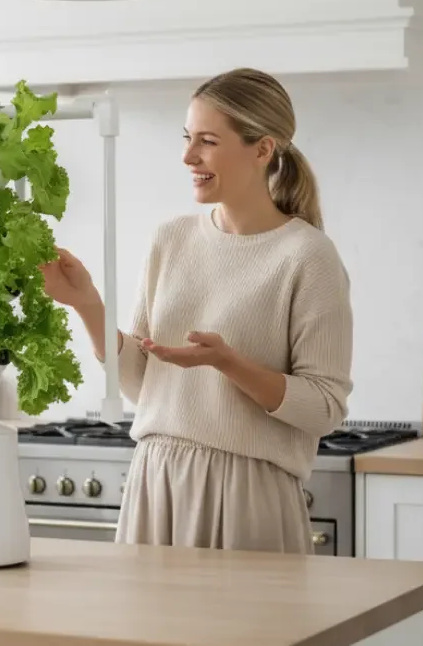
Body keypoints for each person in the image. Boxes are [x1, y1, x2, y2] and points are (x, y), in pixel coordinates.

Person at [41, 68, 353, 553]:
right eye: (187, 138)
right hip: (155, 481)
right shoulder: (171, 239)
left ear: (262, 149)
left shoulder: (308, 256)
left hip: (247, 494)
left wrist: (228, 363)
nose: (188, 156)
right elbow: (144, 384)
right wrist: (87, 304)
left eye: (207, 141)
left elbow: (324, 409)